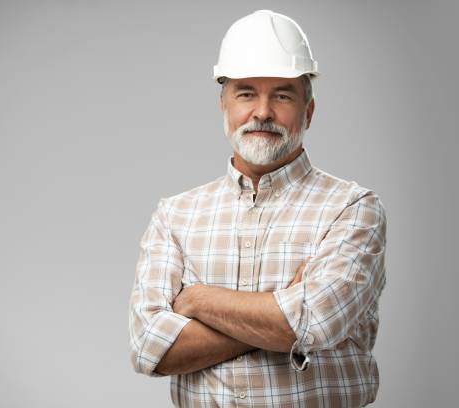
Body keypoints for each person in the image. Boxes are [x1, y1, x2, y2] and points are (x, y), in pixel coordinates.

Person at [128, 9, 386, 408]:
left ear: (309, 111)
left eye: (282, 95)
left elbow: (315, 323)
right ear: (224, 105)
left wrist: (198, 300)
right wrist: (282, 308)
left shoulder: (352, 209)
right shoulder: (175, 215)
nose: (262, 111)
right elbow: (150, 349)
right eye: (246, 92)